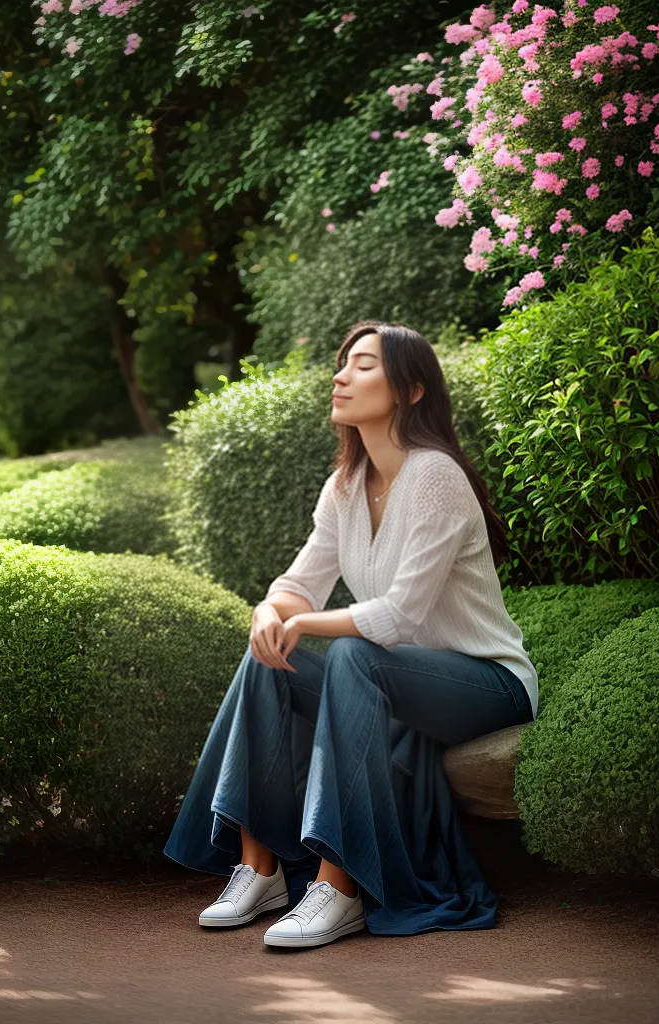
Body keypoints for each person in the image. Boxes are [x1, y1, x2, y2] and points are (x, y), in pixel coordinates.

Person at [162, 321, 538, 950]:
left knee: (354, 655)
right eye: (343, 363)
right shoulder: (345, 485)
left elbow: (400, 617)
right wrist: (270, 612)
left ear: (411, 390)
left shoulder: (435, 475)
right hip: (398, 680)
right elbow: (299, 583)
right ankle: (260, 868)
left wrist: (301, 622)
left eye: (364, 365)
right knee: (268, 661)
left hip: (485, 684)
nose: (341, 376)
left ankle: (339, 887)